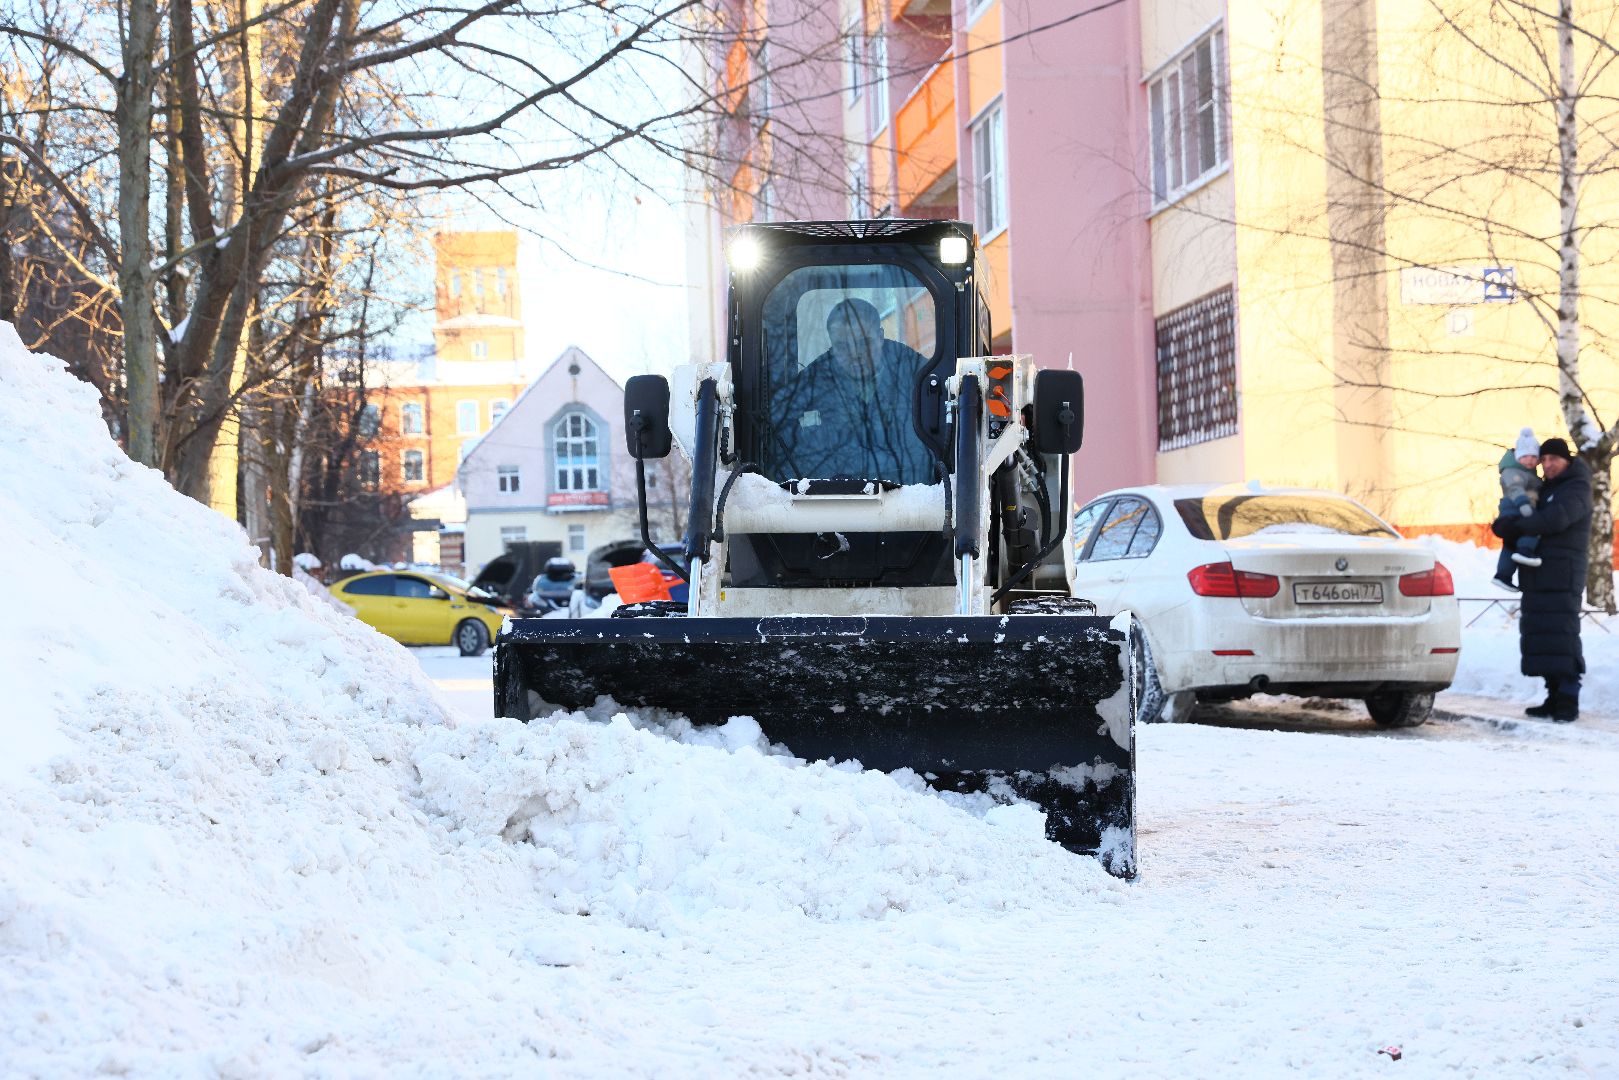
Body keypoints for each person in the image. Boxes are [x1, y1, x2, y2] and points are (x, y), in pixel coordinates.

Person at [768, 297, 934, 484]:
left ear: (880, 337)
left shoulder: (919, 379)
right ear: (832, 345)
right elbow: (779, 434)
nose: (855, 354)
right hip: (829, 501)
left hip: (910, 498)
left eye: (864, 342)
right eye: (843, 346)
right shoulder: (809, 386)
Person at [1492, 437, 1593, 722]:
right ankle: (1552, 696)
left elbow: (1554, 520)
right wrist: (1504, 523)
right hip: (1537, 573)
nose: (1547, 464)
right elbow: (1523, 508)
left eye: (1554, 460)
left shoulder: (1576, 488)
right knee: (1542, 637)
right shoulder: (1546, 487)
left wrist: (1515, 527)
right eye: (1544, 459)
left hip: (1563, 574)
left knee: (1562, 636)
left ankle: (1568, 700)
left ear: (1567, 461)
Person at [1491, 427, 1543, 591]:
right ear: (1518, 456)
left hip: (1517, 509)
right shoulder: (1513, 471)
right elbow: (1515, 488)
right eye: (1525, 456)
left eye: (1534, 456)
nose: (1529, 460)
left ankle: (1503, 575)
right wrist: (1523, 505)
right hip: (1516, 509)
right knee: (1533, 528)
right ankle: (1525, 550)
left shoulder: (1528, 473)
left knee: (1509, 545)